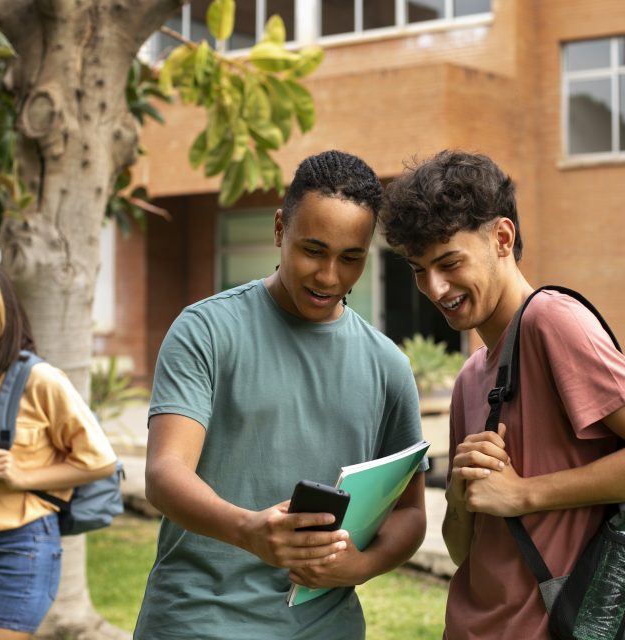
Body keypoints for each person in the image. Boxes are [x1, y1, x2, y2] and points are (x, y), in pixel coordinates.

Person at [380, 150, 625, 639]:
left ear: (502, 238)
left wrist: (523, 493)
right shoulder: (470, 377)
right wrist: (463, 495)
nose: (435, 287)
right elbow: (465, 552)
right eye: (418, 269)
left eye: (449, 262)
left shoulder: (552, 321)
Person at [133, 150, 427, 639]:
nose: (329, 276)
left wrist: (361, 566)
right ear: (278, 229)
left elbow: (411, 512)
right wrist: (248, 530)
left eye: (350, 258)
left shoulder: (388, 366)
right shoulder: (205, 330)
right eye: (313, 250)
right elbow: (164, 474)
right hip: (198, 622)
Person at [0, 261, 117, 640]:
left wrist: (22, 476)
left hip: (20, 548)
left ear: (7, 313)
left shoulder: (40, 380)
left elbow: (101, 462)